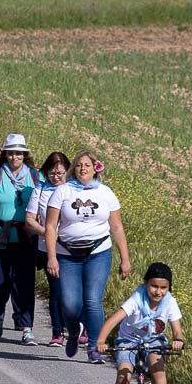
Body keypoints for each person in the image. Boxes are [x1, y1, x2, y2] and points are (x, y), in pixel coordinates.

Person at [44, 151, 132, 363]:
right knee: (69, 303)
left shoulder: (105, 193)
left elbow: (117, 227)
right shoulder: (63, 191)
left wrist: (125, 258)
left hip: (98, 252)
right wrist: (52, 257)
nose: (83, 168)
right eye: (79, 165)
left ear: (95, 169)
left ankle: (94, 346)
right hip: (67, 254)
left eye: (87, 165)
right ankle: (73, 330)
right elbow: (50, 226)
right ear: (74, 169)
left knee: (93, 300)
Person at [96, 262, 185, 384]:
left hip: (154, 340)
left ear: (168, 288)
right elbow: (113, 320)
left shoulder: (170, 302)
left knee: (158, 369)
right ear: (145, 283)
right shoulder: (137, 299)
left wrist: (178, 340)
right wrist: (101, 341)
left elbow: (177, 329)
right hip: (128, 340)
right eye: (154, 286)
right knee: (124, 375)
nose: (158, 292)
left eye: (163, 287)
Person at [0, 134, 40, 345]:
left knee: (24, 283)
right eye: (11, 153)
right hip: (0, 235)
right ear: (4, 154)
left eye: (19, 153)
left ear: (25, 155)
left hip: (25, 237)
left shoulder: (34, 176)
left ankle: (27, 327)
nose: (14, 157)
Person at [24, 151, 71, 348]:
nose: (56, 176)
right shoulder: (40, 190)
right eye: (52, 173)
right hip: (44, 248)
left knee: (69, 291)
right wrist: (48, 233)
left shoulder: (73, 190)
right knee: (56, 290)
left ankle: (77, 328)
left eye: (60, 172)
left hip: (69, 249)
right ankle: (57, 332)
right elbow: (29, 220)